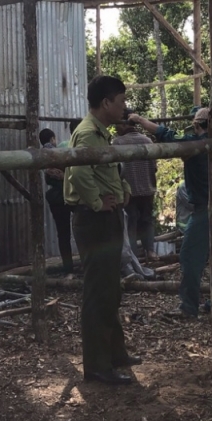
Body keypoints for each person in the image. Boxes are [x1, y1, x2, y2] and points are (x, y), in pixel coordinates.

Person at [65, 76, 141, 385]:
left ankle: (115, 354)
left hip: (104, 219)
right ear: (106, 102)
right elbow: (80, 174)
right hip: (94, 221)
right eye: (121, 100)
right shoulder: (87, 134)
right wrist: (97, 203)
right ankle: (97, 366)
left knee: (110, 289)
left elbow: (108, 170)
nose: (124, 107)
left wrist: (122, 188)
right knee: (98, 292)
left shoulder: (100, 134)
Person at [129, 108, 212, 319]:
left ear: (196, 125)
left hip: (205, 208)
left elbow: (165, 133)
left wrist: (139, 119)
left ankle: (189, 307)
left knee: (189, 257)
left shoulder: (196, 144)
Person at [112, 114, 158, 260]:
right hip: (148, 188)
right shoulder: (148, 141)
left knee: (130, 223)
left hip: (128, 192)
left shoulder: (117, 143)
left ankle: (133, 256)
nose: (115, 127)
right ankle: (150, 251)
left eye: (118, 124)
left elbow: (115, 170)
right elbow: (154, 167)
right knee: (147, 220)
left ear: (125, 124)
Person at [40, 128, 75, 274]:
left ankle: (68, 267)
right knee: (80, 227)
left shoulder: (42, 154)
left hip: (55, 198)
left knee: (63, 233)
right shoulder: (59, 152)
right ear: (53, 139)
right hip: (69, 194)